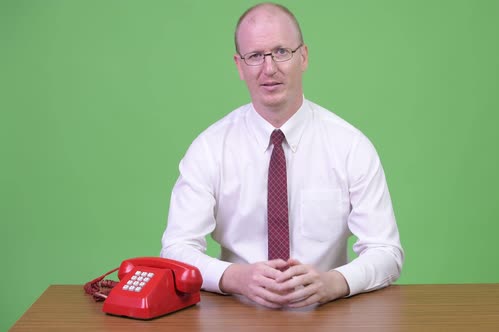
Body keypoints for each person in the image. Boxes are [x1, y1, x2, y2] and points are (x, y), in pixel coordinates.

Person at [161, 2, 403, 309]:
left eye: (281, 52)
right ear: (239, 65)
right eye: (255, 56)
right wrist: (235, 277)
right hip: (235, 315)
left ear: (303, 57)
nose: (269, 68)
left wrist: (333, 283)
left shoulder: (350, 146)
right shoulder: (210, 148)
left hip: (327, 315)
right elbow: (176, 248)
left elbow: (386, 251)